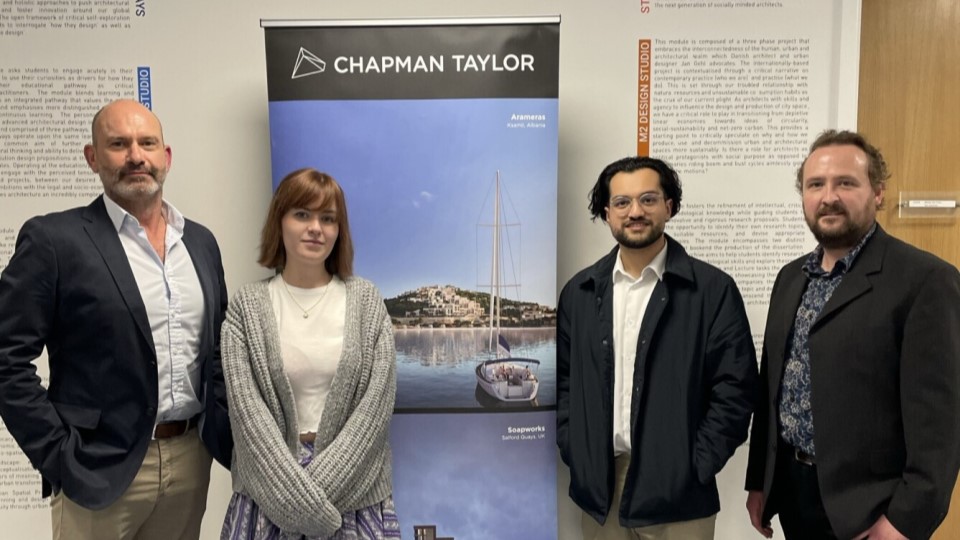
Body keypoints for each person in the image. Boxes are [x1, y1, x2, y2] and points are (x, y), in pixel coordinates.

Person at [0, 99, 232, 539]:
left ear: (166, 157)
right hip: (96, 470)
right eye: (118, 144)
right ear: (93, 157)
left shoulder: (200, 243)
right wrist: (58, 455)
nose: (135, 156)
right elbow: (6, 359)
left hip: (189, 461)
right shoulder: (54, 240)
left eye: (147, 143)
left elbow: (216, 354)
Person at [744, 130, 960, 540]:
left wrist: (905, 522)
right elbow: (771, 388)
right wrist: (760, 482)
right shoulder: (791, 278)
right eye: (816, 185)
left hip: (870, 509)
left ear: (877, 193)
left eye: (846, 182)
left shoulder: (925, 281)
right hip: (793, 493)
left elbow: (941, 428)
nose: (829, 197)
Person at [557, 156, 758, 539]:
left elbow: (737, 390)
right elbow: (565, 384)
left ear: (669, 206)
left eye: (648, 199)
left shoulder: (712, 291)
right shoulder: (579, 294)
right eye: (622, 202)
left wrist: (694, 465)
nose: (635, 212)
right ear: (606, 212)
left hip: (680, 498)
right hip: (601, 493)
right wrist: (576, 452)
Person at [220, 167, 400, 539]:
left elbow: (376, 409)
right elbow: (246, 416)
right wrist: (292, 496)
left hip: (355, 499)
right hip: (267, 505)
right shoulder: (246, 308)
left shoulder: (367, 302)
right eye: (302, 214)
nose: (315, 227)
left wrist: (316, 490)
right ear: (280, 221)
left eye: (328, 218)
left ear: (339, 230)